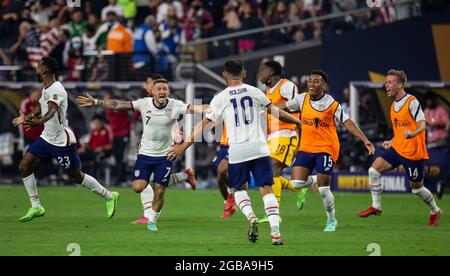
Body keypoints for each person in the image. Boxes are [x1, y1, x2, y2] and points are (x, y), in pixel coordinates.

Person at [169, 58, 302, 245]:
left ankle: (251, 217)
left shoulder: (221, 97)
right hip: (260, 147)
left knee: (239, 189)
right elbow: (275, 112)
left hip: (238, 150)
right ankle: (275, 233)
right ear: (244, 73)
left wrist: (184, 145)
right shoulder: (255, 92)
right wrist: (297, 122)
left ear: (224, 74)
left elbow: (203, 125)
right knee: (267, 188)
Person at [77, 77, 206, 231]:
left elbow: (198, 108)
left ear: (169, 91)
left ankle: (152, 220)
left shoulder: (175, 105)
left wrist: (212, 108)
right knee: (138, 187)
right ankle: (184, 176)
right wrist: (97, 102)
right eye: (159, 89)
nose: (162, 91)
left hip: (165, 155)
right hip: (145, 154)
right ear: (153, 92)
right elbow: (119, 105)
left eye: (165, 89)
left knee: (159, 189)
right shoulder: (144, 103)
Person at [12, 57, 119, 222]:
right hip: (46, 138)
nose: (36, 68)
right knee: (24, 166)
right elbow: (42, 107)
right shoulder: (46, 88)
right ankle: (36, 206)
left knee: (76, 176)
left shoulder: (57, 88)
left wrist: (38, 122)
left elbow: (52, 110)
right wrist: (27, 117)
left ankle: (109, 196)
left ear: (45, 70)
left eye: (38, 66)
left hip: (62, 141)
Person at [278, 69, 375, 232]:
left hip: (325, 148)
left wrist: (365, 140)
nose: (311, 84)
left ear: (323, 85)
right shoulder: (302, 99)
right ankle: (315, 180)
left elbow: (347, 121)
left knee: (324, 190)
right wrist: (266, 107)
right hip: (306, 147)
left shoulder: (331, 103)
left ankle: (331, 220)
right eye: (309, 81)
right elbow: (284, 107)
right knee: (296, 183)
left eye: (316, 81)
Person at [358, 70, 442, 227]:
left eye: (390, 82)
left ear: (400, 84)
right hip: (398, 147)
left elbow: (422, 124)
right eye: (386, 82)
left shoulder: (412, 101)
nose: (386, 85)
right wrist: (391, 140)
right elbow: (400, 130)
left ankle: (435, 210)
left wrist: (413, 133)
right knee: (373, 170)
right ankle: (376, 206)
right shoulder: (393, 106)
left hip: (413, 152)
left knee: (417, 189)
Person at [130, 74, 197, 225]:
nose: (146, 86)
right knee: (150, 181)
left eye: (148, 83)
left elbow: (173, 121)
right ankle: (184, 176)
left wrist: (177, 137)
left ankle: (148, 215)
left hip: (169, 147)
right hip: (150, 147)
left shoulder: (170, 105)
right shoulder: (146, 103)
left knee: (155, 182)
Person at [258, 60, 305, 221]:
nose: (260, 74)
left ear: (271, 72)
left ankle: (273, 213)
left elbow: (295, 105)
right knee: (269, 173)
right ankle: (298, 187)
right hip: (272, 136)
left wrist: (271, 107)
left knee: (272, 169)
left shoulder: (286, 86)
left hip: (288, 132)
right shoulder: (266, 92)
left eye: (262, 71)